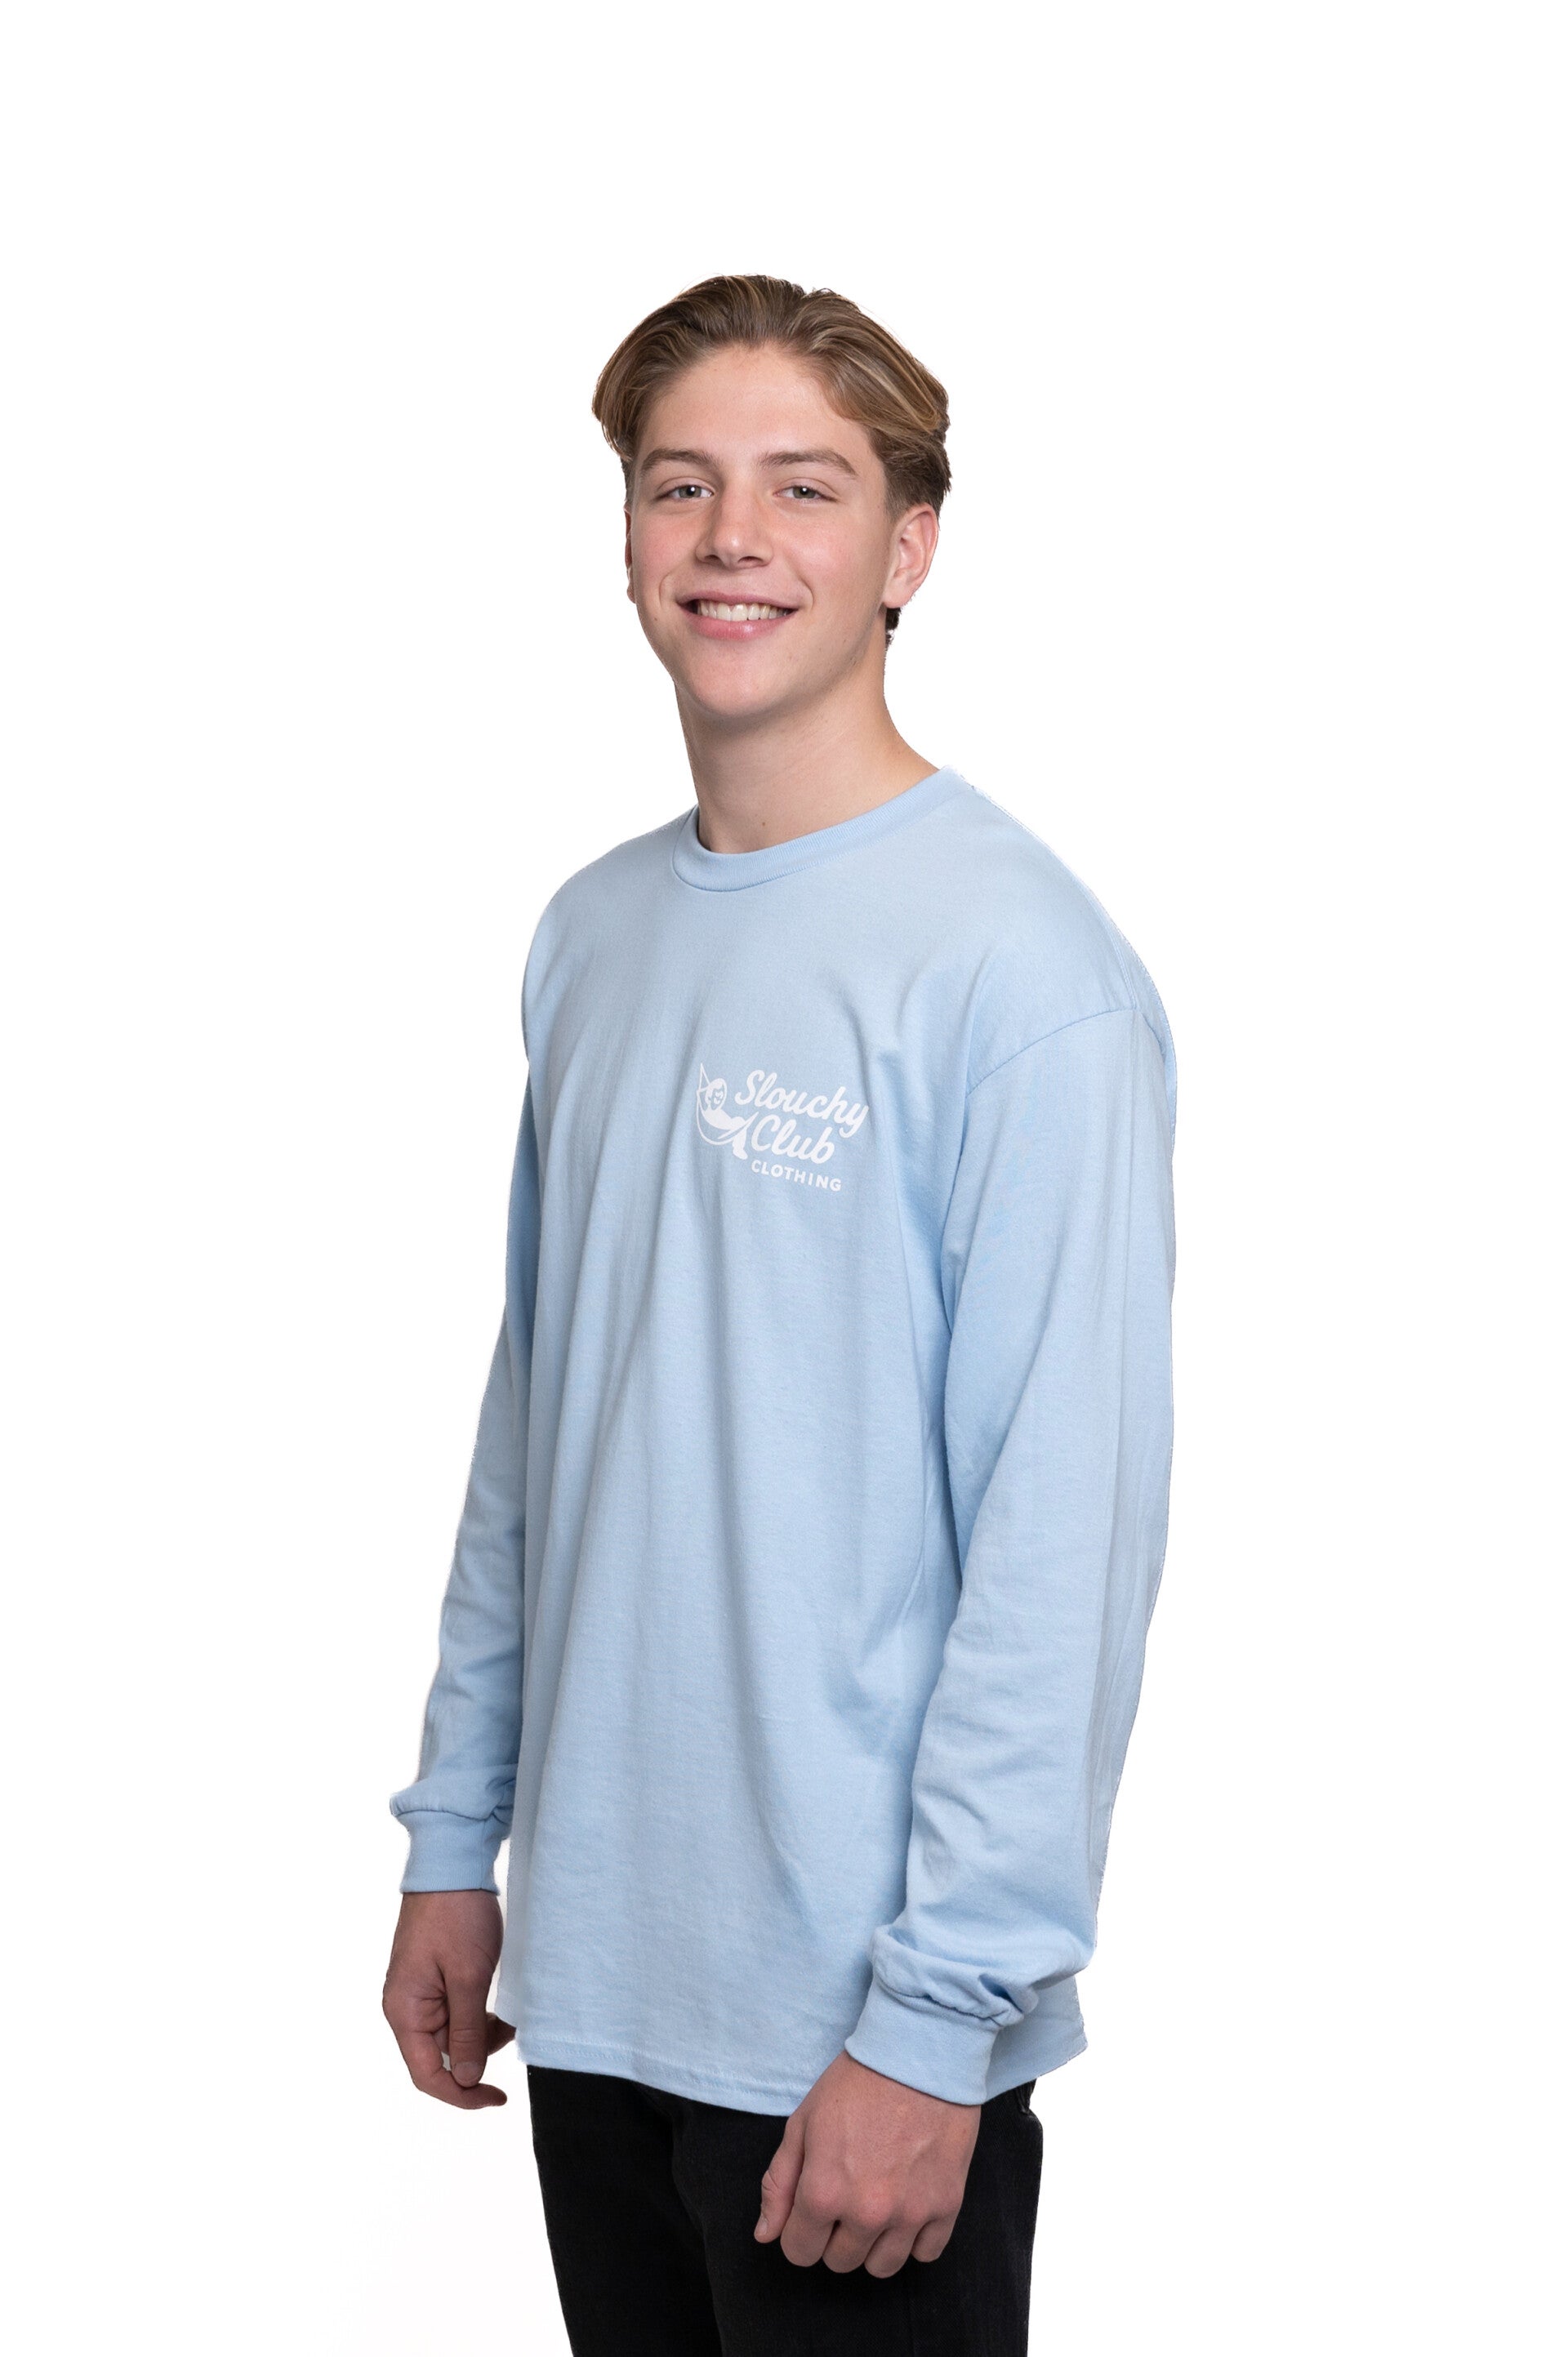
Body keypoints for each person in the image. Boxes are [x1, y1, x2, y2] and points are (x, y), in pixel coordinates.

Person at [382, 274, 1178, 2355]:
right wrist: (457, 1837)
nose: (733, 536)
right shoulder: (594, 933)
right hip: (597, 1988)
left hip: (858, 2038)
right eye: (683, 485)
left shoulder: (1022, 972)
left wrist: (937, 2021)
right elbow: (543, 1427)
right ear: (629, 536)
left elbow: (1062, 1541)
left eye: (803, 487)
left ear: (908, 548)